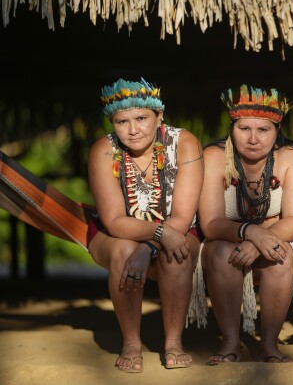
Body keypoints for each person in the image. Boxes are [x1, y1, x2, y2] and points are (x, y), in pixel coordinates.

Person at [87, 78, 204, 372]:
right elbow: (114, 222)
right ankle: (130, 343)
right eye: (121, 121)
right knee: (123, 251)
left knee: (176, 253)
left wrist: (150, 246)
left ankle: (174, 343)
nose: (133, 129)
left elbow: (182, 215)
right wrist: (155, 234)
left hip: (178, 227)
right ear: (112, 123)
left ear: (159, 116)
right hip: (115, 235)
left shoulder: (184, 143)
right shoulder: (104, 150)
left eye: (141, 118)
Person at [197, 85, 293, 364]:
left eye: (263, 130)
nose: (252, 139)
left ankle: (270, 344)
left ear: (277, 129)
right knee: (224, 255)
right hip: (224, 240)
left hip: (274, 236)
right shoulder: (213, 156)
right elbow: (210, 223)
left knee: (280, 256)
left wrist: (260, 240)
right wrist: (251, 232)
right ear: (231, 128)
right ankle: (231, 342)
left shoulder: (291, 157)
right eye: (244, 129)